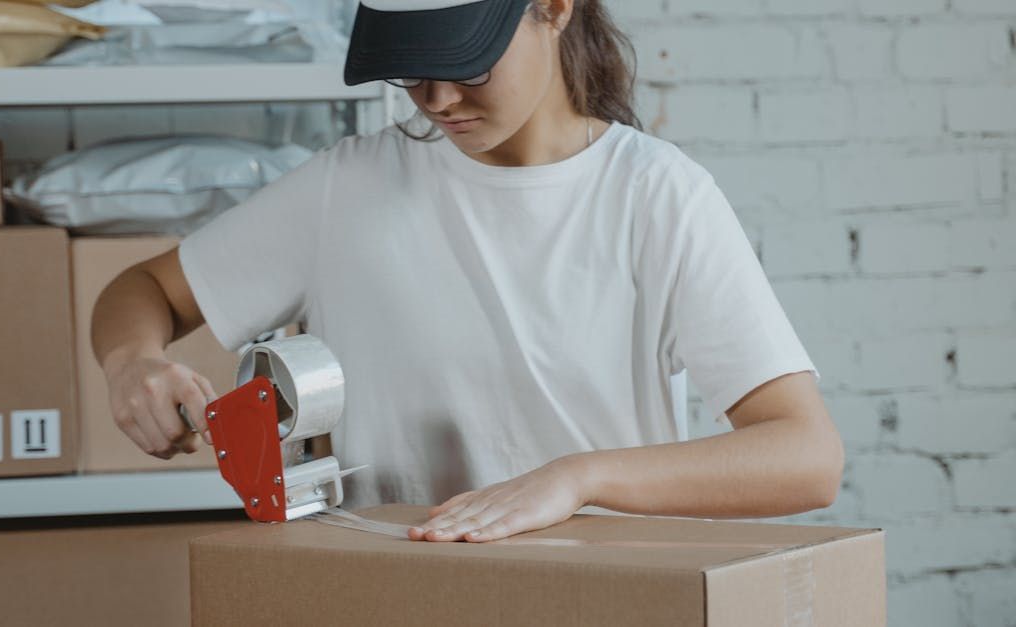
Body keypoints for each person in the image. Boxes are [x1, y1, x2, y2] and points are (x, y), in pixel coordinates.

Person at [91, 0, 844, 544]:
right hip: (403, 592)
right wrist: (133, 362)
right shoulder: (347, 190)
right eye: (414, 69)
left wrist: (578, 477)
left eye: (463, 60)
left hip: (603, 597)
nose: (437, 99)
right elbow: (144, 291)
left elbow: (806, 457)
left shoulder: (654, 197)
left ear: (553, 7)